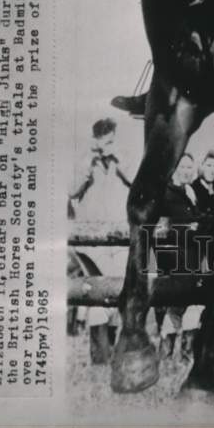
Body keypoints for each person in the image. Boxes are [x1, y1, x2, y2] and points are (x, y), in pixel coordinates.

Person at [68, 118, 132, 364]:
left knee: (118, 294)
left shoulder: (124, 158)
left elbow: (137, 181)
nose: (108, 145)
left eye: (112, 140)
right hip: (93, 240)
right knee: (95, 296)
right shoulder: (85, 161)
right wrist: (88, 163)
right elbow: (71, 190)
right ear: (95, 140)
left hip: (121, 236)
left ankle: (118, 352)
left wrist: (118, 158)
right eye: (104, 141)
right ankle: (100, 357)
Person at [156, 153, 204, 361]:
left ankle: (169, 353)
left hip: (192, 254)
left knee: (179, 305)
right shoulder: (166, 194)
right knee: (190, 302)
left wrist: (199, 225)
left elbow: (197, 218)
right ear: (174, 169)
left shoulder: (190, 191)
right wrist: (190, 228)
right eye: (182, 167)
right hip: (175, 256)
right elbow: (163, 229)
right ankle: (182, 353)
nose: (186, 171)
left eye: (189, 168)